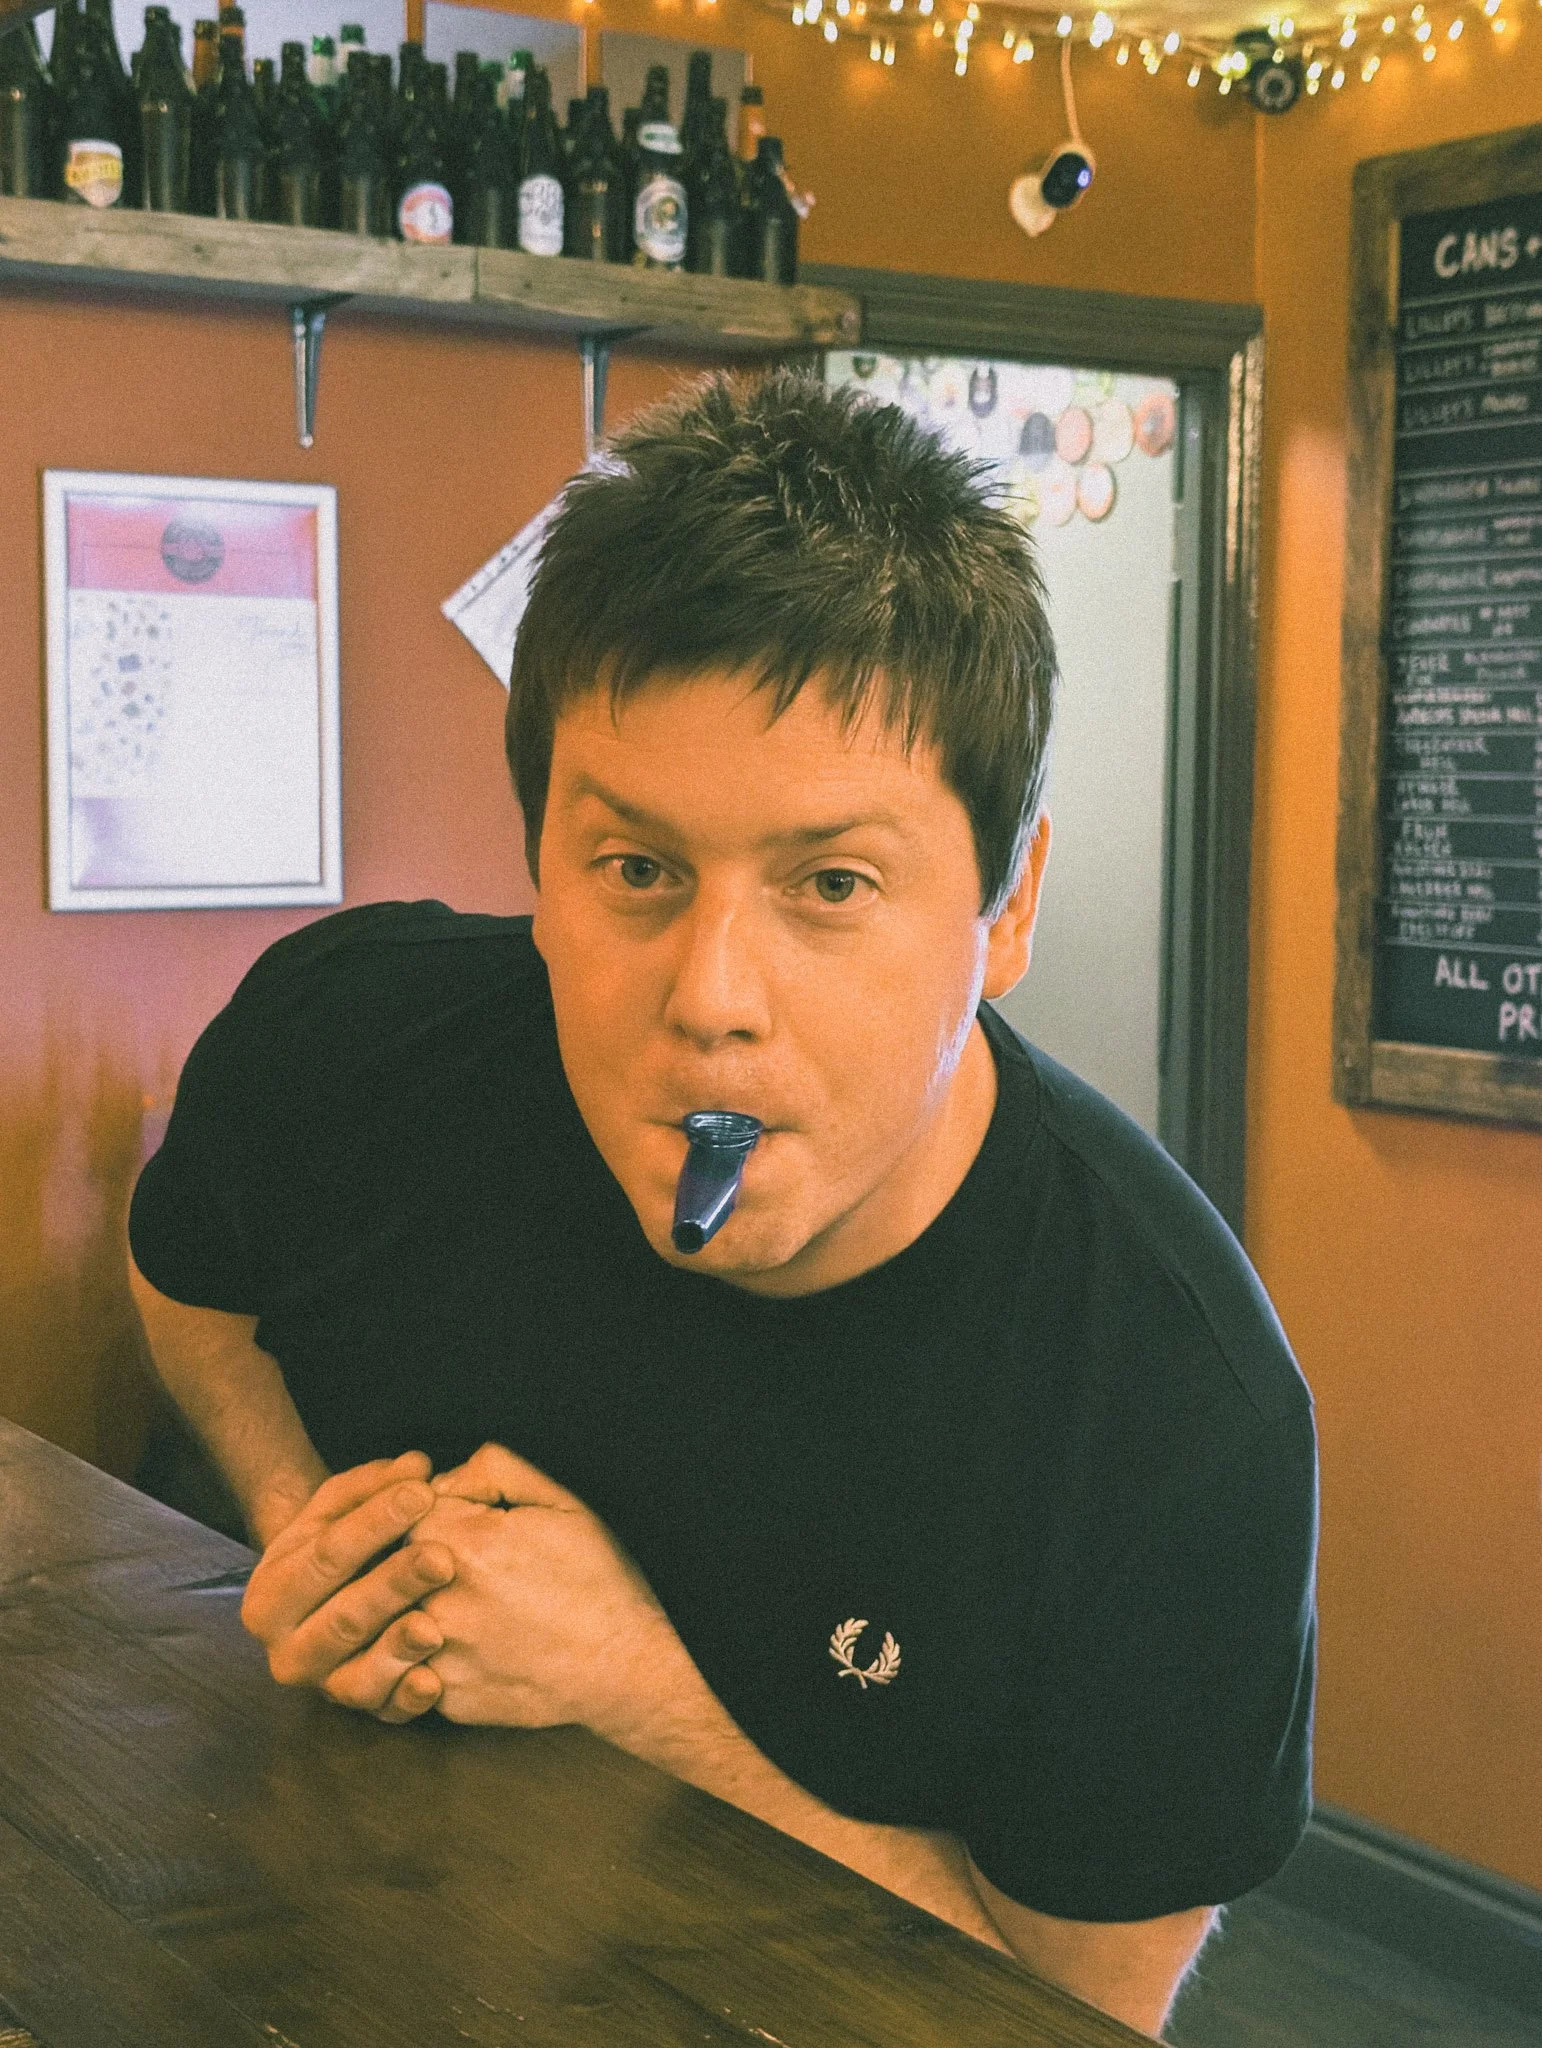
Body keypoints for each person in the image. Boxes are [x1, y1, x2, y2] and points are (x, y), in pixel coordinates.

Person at [127, 370, 1317, 2040]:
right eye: (636, 871)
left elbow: (1063, 2017)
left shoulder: (1173, 1413)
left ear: (1006, 905)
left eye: (831, 885)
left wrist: (636, 1693)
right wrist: (310, 1513)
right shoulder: (348, 1039)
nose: (710, 999)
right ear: (535, 855)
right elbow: (189, 1276)